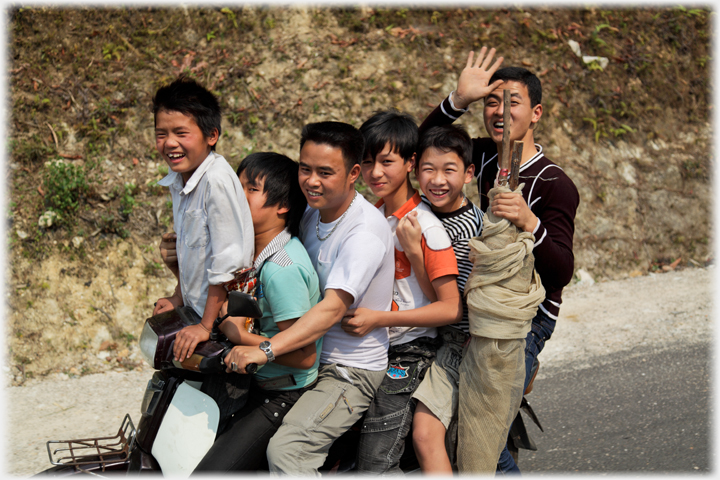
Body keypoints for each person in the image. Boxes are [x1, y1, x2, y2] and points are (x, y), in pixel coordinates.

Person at [420, 46, 580, 473]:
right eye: (492, 101)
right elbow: (421, 147)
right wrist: (457, 100)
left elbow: (563, 269)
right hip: (480, 306)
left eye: (512, 102)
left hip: (524, 319)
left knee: (483, 432)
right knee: (464, 426)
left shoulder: (555, 183)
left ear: (536, 113)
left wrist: (530, 221)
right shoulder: (483, 156)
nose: (499, 110)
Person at [224, 121, 395, 475]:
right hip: (306, 358)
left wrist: (265, 348)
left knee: (288, 452)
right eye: (305, 169)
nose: (311, 181)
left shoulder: (364, 232)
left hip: (346, 369)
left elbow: (332, 308)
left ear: (354, 173)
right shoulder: (311, 212)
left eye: (325, 172)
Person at [181, 152, 320, 472]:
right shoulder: (246, 250)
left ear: (282, 205)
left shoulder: (282, 269)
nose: (236, 195)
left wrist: (240, 336)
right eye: (236, 185)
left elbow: (304, 357)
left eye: (250, 189)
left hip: (281, 395)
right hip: (248, 383)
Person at [341, 110, 461, 473]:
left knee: (375, 461)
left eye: (386, 162)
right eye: (366, 161)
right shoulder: (370, 215)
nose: (375, 172)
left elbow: (450, 309)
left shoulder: (426, 226)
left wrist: (380, 319)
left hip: (410, 352)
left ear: (410, 163)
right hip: (370, 345)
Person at [397, 124, 484, 474]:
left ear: (468, 174)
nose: (437, 180)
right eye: (429, 170)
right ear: (415, 168)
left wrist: (416, 255)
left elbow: (448, 306)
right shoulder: (426, 213)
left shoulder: (462, 231)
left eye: (449, 170)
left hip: (459, 342)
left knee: (426, 435)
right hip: (437, 335)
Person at [151, 77, 254, 364]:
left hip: (221, 323)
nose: (170, 143)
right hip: (198, 313)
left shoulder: (215, 181)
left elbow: (228, 263)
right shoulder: (180, 181)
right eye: (161, 134)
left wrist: (205, 326)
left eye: (181, 133)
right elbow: (193, 252)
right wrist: (178, 297)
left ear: (211, 135)